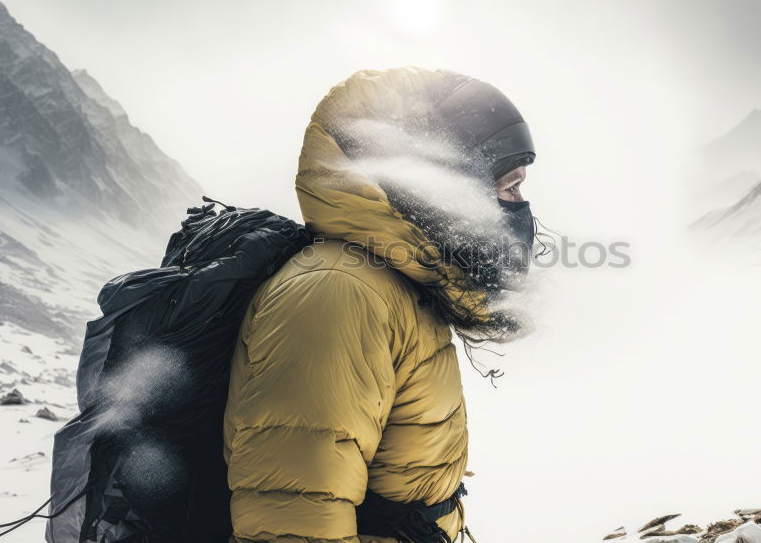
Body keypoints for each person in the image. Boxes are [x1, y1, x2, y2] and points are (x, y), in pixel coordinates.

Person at [223, 67, 537, 542]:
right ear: (451, 186)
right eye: (509, 188)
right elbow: (294, 517)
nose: (519, 208)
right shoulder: (341, 292)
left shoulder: (401, 284)